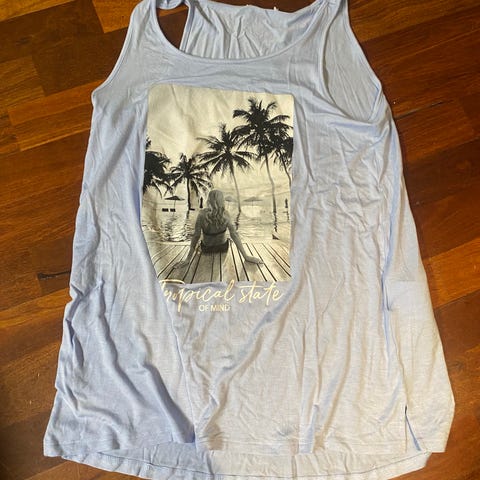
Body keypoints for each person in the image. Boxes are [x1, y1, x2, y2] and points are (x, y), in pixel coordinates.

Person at [173, 189, 263, 268]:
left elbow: (196, 236)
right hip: (222, 247)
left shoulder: (202, 214)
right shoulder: (226, 214)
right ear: (221, 200)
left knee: (200, 241)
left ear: (209, 200)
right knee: (228, 237)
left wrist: (188, 259)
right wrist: (246, 256)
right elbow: (234, 235)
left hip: (206, 249)